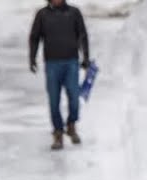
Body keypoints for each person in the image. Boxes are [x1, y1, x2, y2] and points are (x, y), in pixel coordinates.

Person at [28, 0, 90, 151]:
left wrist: (86, 57)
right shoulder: (42, 15)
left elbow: (82, 35)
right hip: (52, 64)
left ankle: (71, 124)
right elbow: (35, 37)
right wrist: (32, 58)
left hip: (71, 63)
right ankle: (57, 132)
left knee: (74, 97)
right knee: (54, 100)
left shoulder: (74, 13)